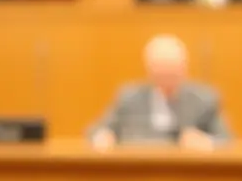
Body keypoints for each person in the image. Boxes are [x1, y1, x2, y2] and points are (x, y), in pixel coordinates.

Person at [89, 34, 231, 150]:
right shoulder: (130, 97)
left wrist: (206, 142)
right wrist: (104, 137)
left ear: (184, 69)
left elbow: (227, 141)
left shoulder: (203, 99)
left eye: (172, 72)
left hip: (185, 173)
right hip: (137, 171)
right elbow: (96, 131)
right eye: (161, 72)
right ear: (149, 70)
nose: (167, 79)